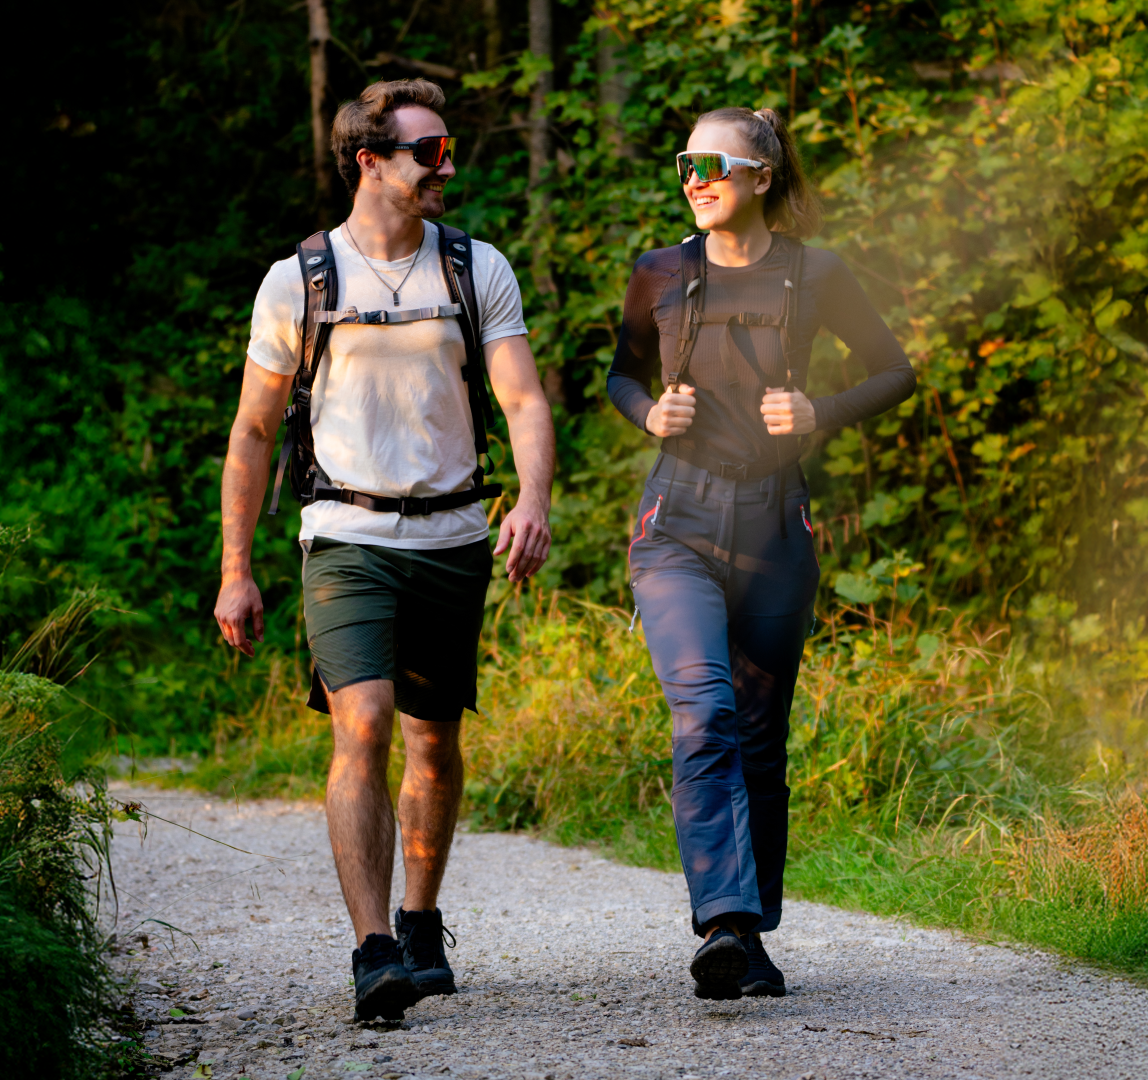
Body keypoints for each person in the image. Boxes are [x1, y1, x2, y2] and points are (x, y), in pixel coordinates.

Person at [213, 79, 555, 1021]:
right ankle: (373, 952)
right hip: (345, 537)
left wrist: (532, 498)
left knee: (432, 742)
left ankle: (419, 918)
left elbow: (522, 398)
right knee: (360, 723)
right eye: (429, 152)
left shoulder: (475, 268)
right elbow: (252, 431)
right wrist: (237, 569)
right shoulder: (301, 280)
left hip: (454, 535)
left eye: (449, 149)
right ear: (369, 160)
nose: (449, 166)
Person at [608, 107, 915, 999]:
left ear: (762, 175)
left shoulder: (819, 274)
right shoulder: (658, 273)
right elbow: (622, 374)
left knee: (760, 738)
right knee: (702, 709)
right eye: (684, 165)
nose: (694, 178)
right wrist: (645, 413)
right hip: (678, 523)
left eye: (711, 163)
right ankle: (724, 924)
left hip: (779, 526)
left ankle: (754, 933)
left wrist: (822, 411)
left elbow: (895, 369)